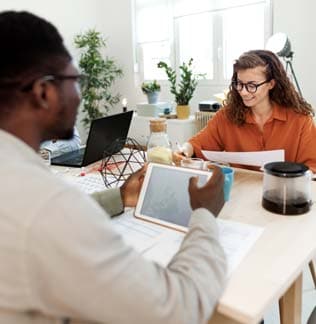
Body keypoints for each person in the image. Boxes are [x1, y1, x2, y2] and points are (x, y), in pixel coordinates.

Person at [0, 10, 227, 324]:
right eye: (76, 80)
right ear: (44, 91)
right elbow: (175, 310)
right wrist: (204, 213)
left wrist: (119, 196)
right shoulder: (46, 205)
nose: (79, 94)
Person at [175, 50, 316, 172]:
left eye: (251, 86)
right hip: (242, 189)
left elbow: (312, 167)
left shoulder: (300, 119)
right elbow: (197, 144)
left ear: (271, 84)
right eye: (239, 84)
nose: (243, 92)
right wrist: (185, 150)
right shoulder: (227, 116)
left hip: (285, 193)